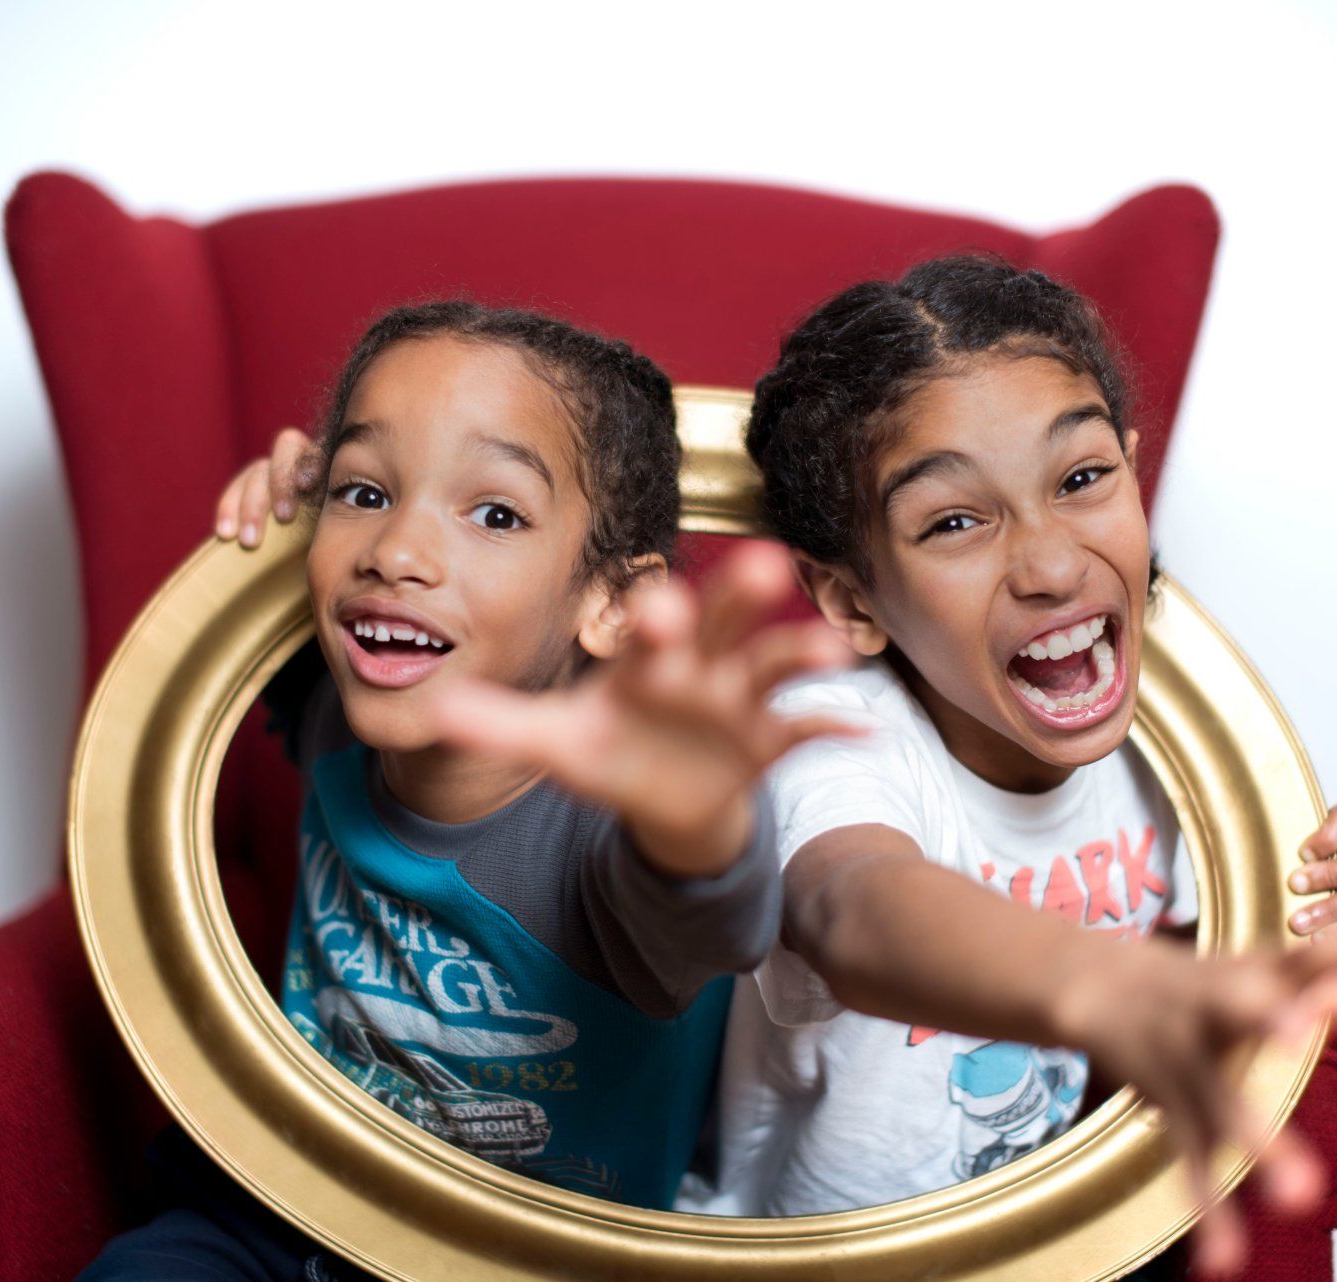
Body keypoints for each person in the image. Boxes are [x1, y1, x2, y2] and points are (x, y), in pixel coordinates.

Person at [440, 258, 1337, 1276]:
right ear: (851, 602)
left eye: (1081, 479)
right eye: (954, 522)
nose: (1053, 564)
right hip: (814, 1258)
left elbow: (1195, 934)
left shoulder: (1179, 748)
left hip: (1045, 1236)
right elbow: (854, 906)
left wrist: (1283, 937)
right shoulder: (827, 738)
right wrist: (1095, 981)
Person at [79, 300, 854, 1282]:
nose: (396, 549)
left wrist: (697, 817)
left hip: (525, 1256)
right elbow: (225, 650)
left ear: (610, 600)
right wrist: (268, 534)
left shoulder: (612, 827)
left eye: (494, 512)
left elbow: (711, 920)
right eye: (365, 491)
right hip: (272, 1208)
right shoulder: (332, 706)